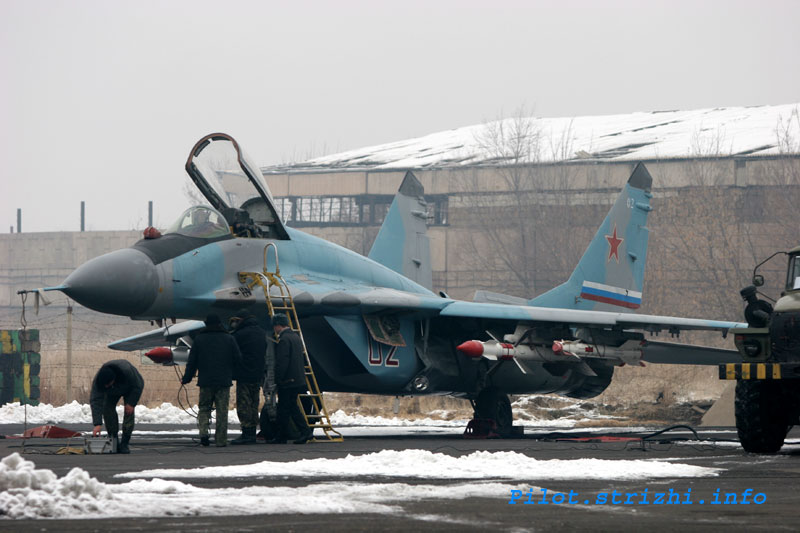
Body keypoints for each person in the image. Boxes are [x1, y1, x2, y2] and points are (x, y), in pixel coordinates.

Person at [181, 314, 242, 447]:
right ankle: (221, 440)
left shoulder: (199, 339)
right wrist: (233, 373)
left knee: (204, 408)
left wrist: (186, 378)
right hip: (223, 381)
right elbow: (238, 359)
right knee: (222, 411)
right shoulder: (229, 339)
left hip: (205, 381)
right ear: (220, 324)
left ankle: (203, 434)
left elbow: (192, 362)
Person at [270, 313, 313, 444]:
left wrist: (277, 379)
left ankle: (303, 432)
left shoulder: (284, 339)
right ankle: (283, 435)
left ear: (278, 325)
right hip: (297, 379)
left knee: (287, 408)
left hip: (287, 380)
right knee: (289, 407)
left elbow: (282, 361)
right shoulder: (295, 337)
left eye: (275, 326)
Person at [90, 359, 144, 454]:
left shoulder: (127, 372)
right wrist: (97, 424)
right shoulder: (99, 380)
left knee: (129, 412)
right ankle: (113, 439)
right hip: (112, 391)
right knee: (107, 408)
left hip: (130, 388)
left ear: (113, 379)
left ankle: (125, 442)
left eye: (108, 384)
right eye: (104, 385)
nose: (105, 386)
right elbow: (96, 400)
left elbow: (138, 385)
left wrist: (131, 403)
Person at [229, 308, 267, 445]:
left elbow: (232, 351)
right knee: (253, 403)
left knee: (244, 404)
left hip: (244, 374)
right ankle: (251, 432)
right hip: (257, 374)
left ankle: (247, 433)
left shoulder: (239, 335)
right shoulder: (261, 333)